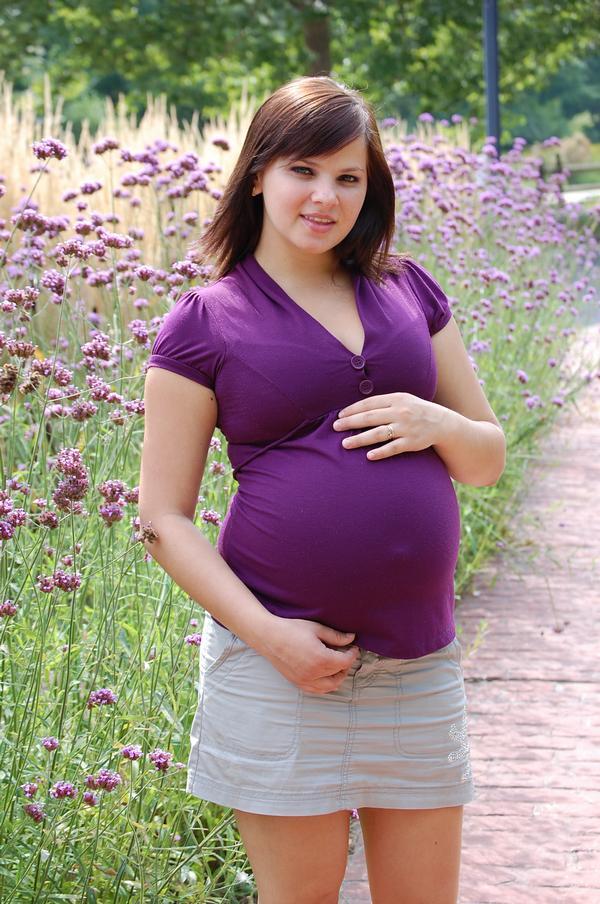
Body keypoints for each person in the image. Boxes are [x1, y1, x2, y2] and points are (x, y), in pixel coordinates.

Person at [139, 75, 506, 904]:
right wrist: (272, 639)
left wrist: (435, 421)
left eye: (348, 176)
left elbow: (486, 458)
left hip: (417, 666)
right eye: (303, 170)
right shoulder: (206, 320)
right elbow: (161, 518)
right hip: (280, 673)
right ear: (258, 174)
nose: (325, 197)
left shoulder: (408, 289)